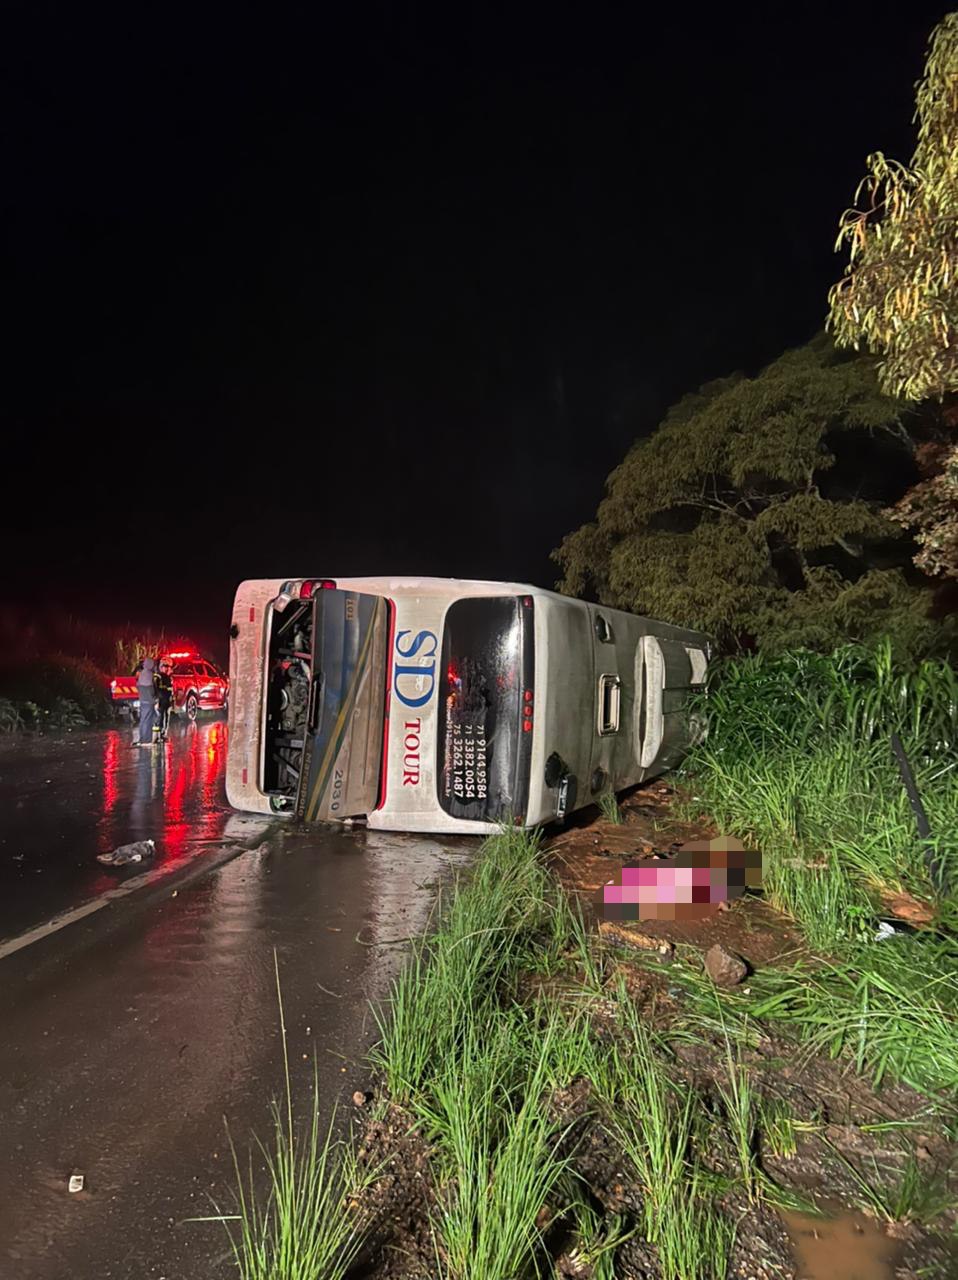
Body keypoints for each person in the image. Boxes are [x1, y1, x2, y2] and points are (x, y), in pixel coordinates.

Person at [135, 657, 158, 747]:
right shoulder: (149, 675)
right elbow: (151, 690)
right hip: (149, 701)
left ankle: (142, 739)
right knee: (148, 721)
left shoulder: (142, 674)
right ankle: (147, 740)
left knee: (143, 720)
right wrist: (154, 699)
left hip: (143, 700)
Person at [154, 658, 175, 741]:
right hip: (163, 700)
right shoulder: (163, 677)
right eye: (165, 667)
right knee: (163, 717)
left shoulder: (158, 676)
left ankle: (159, 735)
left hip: (162, 700)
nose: (167, 669)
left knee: (160, 717)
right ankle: (162, 734)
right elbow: (168, 689)